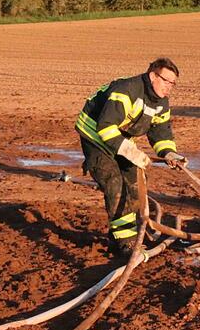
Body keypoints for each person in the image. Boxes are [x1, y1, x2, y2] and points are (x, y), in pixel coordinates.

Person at [75, 58, 188, 255]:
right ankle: (125, 242)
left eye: (173, 83)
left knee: (136, 181)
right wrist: (131, 152)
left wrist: (170, 153)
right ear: (153, 76)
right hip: (95, 136)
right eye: (166, 81)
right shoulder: (126, 90)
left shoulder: (161, 101)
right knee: (114, 183)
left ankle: (135, 231)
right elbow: (106, 127)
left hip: (119, 137)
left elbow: (161, 132)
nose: (169, 87)